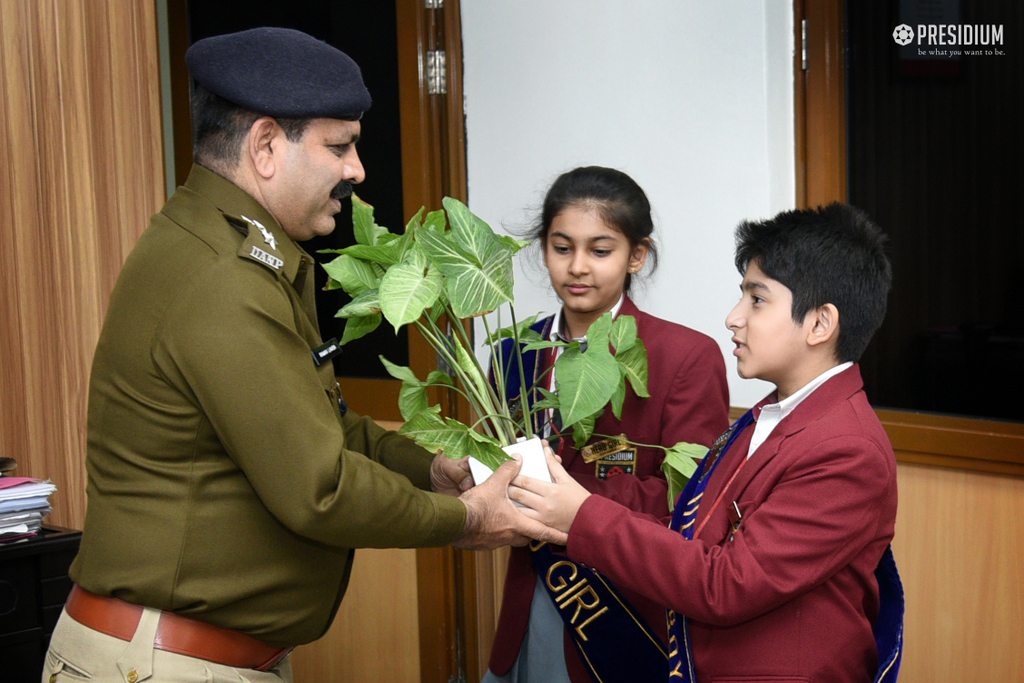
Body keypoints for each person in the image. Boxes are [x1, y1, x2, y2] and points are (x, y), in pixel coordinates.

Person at [42, 27, 553, 683]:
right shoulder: (221, 277)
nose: (357, 171)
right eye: (339, 146)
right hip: (160, 662)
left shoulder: (231, 249)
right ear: (263, 147)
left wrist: (427, 470)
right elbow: (321, 487)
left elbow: (329, 425)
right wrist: (465, 518)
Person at [513, 203, 903, 683]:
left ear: (820, 324)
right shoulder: (774, 413)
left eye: (757, 300)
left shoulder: (848, 449)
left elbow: (727, 583)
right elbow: (692, 529)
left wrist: (583, 516)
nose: (733, 318)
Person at [484, 167, 730, 683]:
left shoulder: (683, 356)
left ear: (636, 255)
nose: (577, 267)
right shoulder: (513, 350)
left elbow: (693, 501)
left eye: (600, 250)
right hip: (532, 594)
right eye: (561, 247)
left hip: (626, 605)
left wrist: (575, 504)